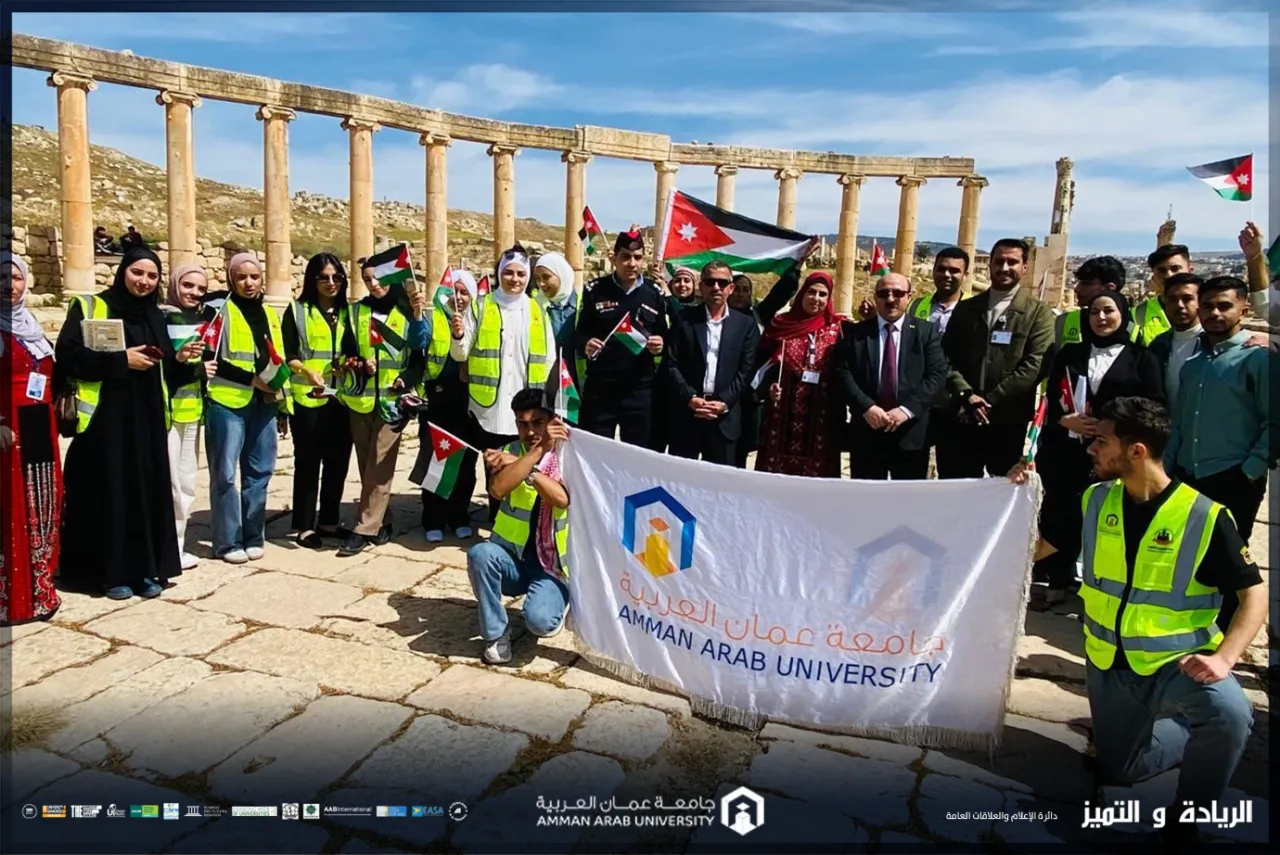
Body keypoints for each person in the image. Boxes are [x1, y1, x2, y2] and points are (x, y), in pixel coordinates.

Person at [1012, 397, 1264, 849]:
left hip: (1177, 662)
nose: (1091, 449)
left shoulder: (1204, 516)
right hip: (1110, 663)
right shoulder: (1094, 499)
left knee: (1229, 714)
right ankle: (1182, 732)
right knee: (1122, 769)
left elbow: (1254, 596)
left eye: (1101, 442)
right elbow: (1039, 549)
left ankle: (1188, 820)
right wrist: (1014, 496)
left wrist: (1224, 659)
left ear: (1137, 450)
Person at [56, 247, 203, 598]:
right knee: (109, 494)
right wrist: (121, 361)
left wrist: (180, 359)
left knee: (146, 494)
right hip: (105, 423)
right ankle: (111, 574)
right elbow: (68, 356)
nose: (144, 281)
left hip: (147, 421)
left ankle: (145, 569)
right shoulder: (92, 307)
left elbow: (164, 369)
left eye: (152, 276)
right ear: (123, 272)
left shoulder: (153, 315)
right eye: (138, 272)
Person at [1032, 292, 1164, 610]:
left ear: (1123, 314)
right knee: (1061, 516)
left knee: (1109, 522)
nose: (1101, 318)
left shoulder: (1142, 358)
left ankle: (1101, 594)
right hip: (1067, 452)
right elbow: (1051, 397)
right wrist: (1065, 420)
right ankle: (1056, 583)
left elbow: (1154, 407)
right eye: (1094, 312)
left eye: (1108, 311)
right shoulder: (1070, 353)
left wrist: (1115, 428)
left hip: (1116, 457)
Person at [1166, 276, 1275, 629]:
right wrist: (1168, 469)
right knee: (1187, 556)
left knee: (1229, 560)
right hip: (1189, 475)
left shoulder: (1259, 359)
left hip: (1234, 476)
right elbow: (1181, 423)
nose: (1214, 313)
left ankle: (1226, 637)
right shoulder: (1194, 364)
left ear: (1243, 308)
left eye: (1224, 306)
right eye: (1208, 306)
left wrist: (1251, 469)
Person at [451, 245, 557, 522]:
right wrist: (458, 335)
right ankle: (497, 521)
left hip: (526, 410)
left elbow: (548, 358)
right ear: (499, 274)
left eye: (521, 274)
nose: (514, 279)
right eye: (509, 273)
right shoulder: (481, 306)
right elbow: (460, 354)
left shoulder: (537, 309)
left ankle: (521, 522)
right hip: (489, 408)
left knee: (524, 466)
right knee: (495, 467)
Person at [466, 387, 571, 665]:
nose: (530, 431)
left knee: (540, 623)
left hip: (553, 566)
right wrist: (535, 454)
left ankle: (555, 603)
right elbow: (498, 489)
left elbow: (561, 499)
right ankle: (495, 634)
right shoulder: (508, 451)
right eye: (523, 424)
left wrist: (528, 467)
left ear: (552, 421)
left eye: (538, 423)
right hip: (512, 557)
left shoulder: (568, 456)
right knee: (479, 554)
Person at [937, 239, 1054, 479]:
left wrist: (988, 401)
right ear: (989, 265)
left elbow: (1035, 365)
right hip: (961, 417)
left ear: (1024, 267)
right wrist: (966, 395)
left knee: (1004, 488)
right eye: (999, 261)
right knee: (956, 488)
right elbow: (946, 357)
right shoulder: (966, 309)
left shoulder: (1038, 314)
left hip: (1007, 422)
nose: (1004, 268)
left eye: (1012, 262)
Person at [204, 252, 289, 565]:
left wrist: (283, 405)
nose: (248, 283)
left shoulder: (269, 312)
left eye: (254, 277)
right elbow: (211, 357)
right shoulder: (218, 309)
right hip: (227, 400)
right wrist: (253, 381)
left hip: (264, 403)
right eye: (241, 277)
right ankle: (227, 540)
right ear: (231, 279)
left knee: (260, 471)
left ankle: (254, 535)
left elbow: (277, 358)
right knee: (225, 474)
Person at [336, 259, 416, 557]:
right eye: (367, 279)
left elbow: (418, 357)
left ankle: (364, 527)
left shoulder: (406, 312)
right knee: (367, 463)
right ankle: (384, 519)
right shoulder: (356, 312)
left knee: (381, 463)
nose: (374, 284)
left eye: (378, 278)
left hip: (392, 401)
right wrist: (359, 363)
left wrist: (406, 379)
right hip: (361, 399)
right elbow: (344, 353)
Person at [836, 272, 947, 480]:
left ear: (908, 296)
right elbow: (842, 373)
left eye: (897, 293)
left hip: (911, 435)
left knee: (908, 499)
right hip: (867, 433)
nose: (890, 299)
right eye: (883, 293)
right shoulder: (856, 334)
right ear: (875, 297)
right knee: (866, 497)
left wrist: (906, 410)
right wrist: (867, 407)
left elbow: (937, 375)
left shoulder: (925, 332)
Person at [1, 253, 61, 623]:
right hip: (8, 430)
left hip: (40, 423)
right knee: (11, 510)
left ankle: (39, 591)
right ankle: (12, 599)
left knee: (39, 505)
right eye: (2, 278)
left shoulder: (30, 325)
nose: (10, 285)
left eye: (16, 278)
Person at [283, 253, 353, 550]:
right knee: (308, 463)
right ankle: (303, 525)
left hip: (342, 398)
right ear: (312, 279)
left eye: (337, 277)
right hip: (308, 399)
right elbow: (287, 353)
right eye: (323, 277)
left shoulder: (349, 313)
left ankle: (329, 520)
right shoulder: (297, 311)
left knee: (338, 461)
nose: (331, 282)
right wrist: (305, 370)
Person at [575, 231, 667, 447]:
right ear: (614, 258)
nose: (632, 263)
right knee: (596, 452)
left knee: (638, 455)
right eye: (625, 257)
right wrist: (586, 344)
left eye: (637, 257)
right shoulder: (595, 290)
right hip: (601, 388)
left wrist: (660, 344)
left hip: (638, 390)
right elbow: (579, 334)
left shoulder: (654, 293)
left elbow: (665, 335)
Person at [664, 261, 761, 465]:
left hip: (725, 419)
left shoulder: (745, 324)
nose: (716, 287)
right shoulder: (684, 320)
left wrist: (724, 402)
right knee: (680, 479)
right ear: (701, 286)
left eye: (722, 282)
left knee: (720, 482)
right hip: (688, 415)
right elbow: (671, 363)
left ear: (730, 288)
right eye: (710, 282)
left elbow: (747, 369)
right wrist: (690, 397)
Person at [407, 273, 479, 543]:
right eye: (452, 291)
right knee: (436, 458)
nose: (457, 297)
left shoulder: (478, 319)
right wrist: (417, 316)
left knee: (465, 462)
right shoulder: (433, 316)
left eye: (464, 292)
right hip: (437, 396)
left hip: (469, 397)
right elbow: (418, 342)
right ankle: (433, 519)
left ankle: (459, 516)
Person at [754, 271, 844, 477]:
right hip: (781, 415)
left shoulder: (838, 329)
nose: (816, 298)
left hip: (821, 416)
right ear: (802, 293)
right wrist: (768, 388)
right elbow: (760, 365)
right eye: (811, 292)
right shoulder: (781, 325)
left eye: (822, 294)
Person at [161, 263, 215, 570]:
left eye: (200, 288)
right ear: (174, 284)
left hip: (193, 411)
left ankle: (178, 547)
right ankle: (164, 548)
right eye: (187, 285)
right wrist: (189, 364)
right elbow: (161, 366)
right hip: (166, 413)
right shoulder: (160, 317)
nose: (194, 292)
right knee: (169, 485)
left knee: (186, 483)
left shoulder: (202, 320)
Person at [1146, 272, 1203, 409]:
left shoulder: (1215, 343)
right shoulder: (1158, 346)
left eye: (1187, 299)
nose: (1179, 305)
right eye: (1172, 299)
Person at [1052, 255, 1124, 347]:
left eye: (1086, 284)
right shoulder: (1065, 321)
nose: (1077, 289)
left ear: (1109, 288)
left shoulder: (1136, 324)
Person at [533, 251, 579, 375]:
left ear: (561, 274)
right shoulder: (535, 306)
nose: (541, 284)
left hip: (577, 380)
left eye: (546, 277)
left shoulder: (583, 304)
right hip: (546, 379)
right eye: (537, 279)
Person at [908, 247, 970, 334]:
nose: (946, 274)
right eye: (941, 269)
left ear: (965, 275)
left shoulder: (977, 309)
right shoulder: (914, 306)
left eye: (954, 271)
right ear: (933, 271)